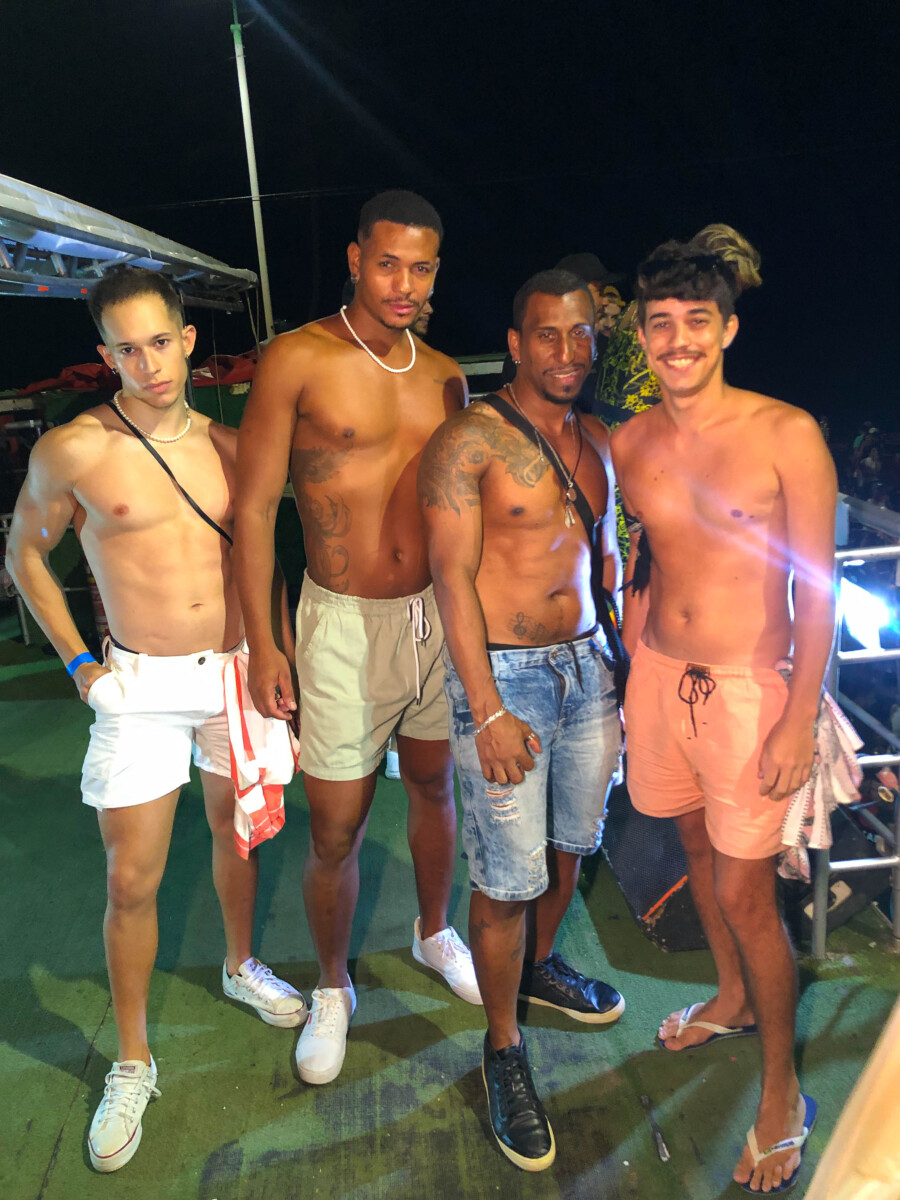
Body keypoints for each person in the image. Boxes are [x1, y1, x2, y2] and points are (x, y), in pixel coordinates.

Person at [6, 268, 304, 1174]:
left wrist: (279, 655)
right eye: (127, 349)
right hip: (138, 685)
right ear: (106, 356)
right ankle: (133, 1061)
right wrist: (81, 666)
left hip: (234, 675)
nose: (149, 363)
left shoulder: (232, 445)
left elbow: (264, 560)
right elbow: (24, 551)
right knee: (130, 879)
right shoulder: (73, 449)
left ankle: (239, 964)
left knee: (238, 835)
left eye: (161, 342)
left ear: (188, 340)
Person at [233, 189, 480, 1088]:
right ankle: (332, 985)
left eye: (421, 268)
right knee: (335, 828)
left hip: (433, 618)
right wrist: (264, 644)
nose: (404, 283)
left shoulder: (448, 374)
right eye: (387, 264)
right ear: (355, 258)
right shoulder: (297, 357)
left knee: (435, 787)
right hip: (340, 621)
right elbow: (253, 510)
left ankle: (434, 932)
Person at [611, 235, 837, 1193]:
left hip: (752, 692)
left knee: (747, 893)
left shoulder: (787, 433)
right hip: (662, 678)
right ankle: (733, 996)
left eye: (696, 322)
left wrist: (798, 718)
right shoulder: (630, 443)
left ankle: (783, 1093)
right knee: (695, 850)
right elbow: (649, 554)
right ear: (641, 335)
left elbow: (817, 590)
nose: (678, 340)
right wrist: (633, 649)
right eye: (661, 323)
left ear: (728, 330)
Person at [419, 268, 625, 1172]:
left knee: (570, 848)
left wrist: (622, 666)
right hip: (507, 678)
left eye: (582, 334)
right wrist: (489, 707)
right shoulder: (468, 440)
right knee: (506, 880)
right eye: (548, 334)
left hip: (590, 669)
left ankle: (539, 969)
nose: (568, 352)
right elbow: (450, 578)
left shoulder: (596, 439)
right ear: (514, 343)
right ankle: (503, 1047)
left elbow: (605, 558)